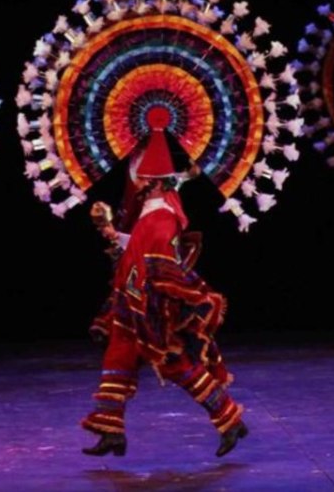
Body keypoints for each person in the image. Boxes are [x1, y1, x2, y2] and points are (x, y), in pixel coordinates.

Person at [81, 110, 248, 458]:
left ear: (155, 181)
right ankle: (111, 431)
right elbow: (140, 250)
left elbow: (158, 263)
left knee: (176, 364)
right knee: (118, 357)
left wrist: (156, 297)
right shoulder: (153, 210)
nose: (138, 182)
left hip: (152, 305)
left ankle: (229, 419)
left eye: (143, 178)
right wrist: (115, 235)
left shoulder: (162, 214)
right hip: (133, 301)